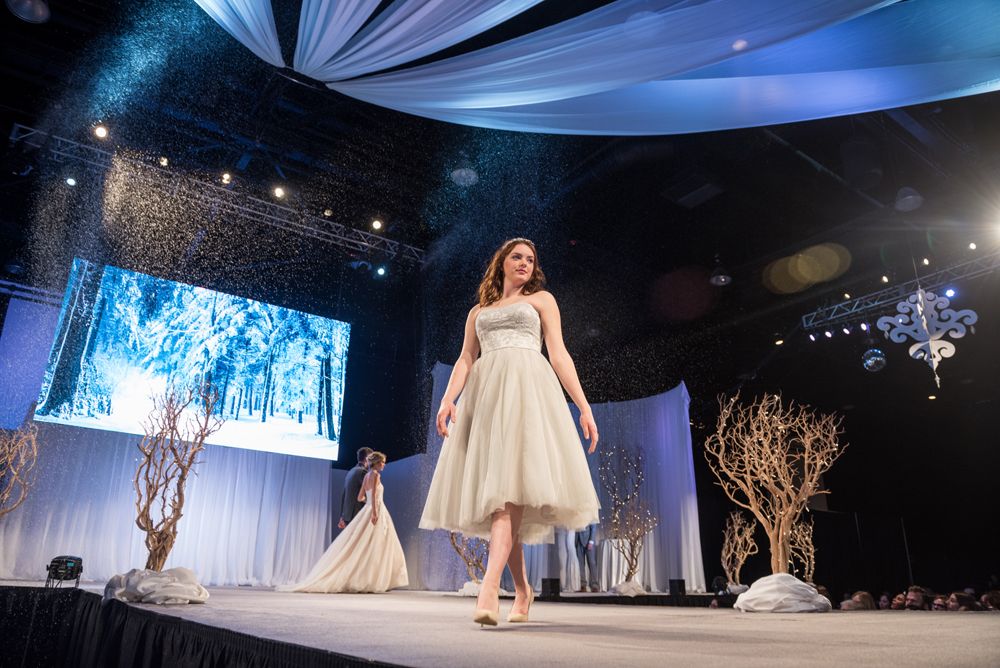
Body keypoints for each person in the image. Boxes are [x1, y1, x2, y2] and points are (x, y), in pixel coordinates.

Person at [420, 238, 601, 627]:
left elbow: (559, 354)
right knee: (503, 501)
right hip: (486, 402)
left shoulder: (542, 301)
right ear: (501, 263)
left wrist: (584, 407)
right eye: (516, 257)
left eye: (531, 259)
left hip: (526, 396)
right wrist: (449, 400)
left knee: (506, 501)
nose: (524, 263)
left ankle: (489, 588)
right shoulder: (478, 312)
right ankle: (522, 589)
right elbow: (467, 358)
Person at [283, 451, 408, 593]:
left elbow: (360, 497)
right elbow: (373, 495)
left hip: (367, 511)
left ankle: (368, 579)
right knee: (376, 545)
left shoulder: (367, 475)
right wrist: (374, 511)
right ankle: (372, 581)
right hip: (376, 511)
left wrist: (369, 506)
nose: (384, 465)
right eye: (382, 462)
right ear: (376, 463)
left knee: (365, 546)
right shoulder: (375, 475)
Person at [337, 447, 373, 531]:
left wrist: (342, 516)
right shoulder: (363, 472)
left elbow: (344, 495)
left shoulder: (351, 471)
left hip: (348, 515)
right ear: (367, 459)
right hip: (357, 514)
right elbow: (368, 495)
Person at [576, 523, 600, 593]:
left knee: (592, 563)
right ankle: (582, 585)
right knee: (580, 564)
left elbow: (593, 528)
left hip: (588, 540)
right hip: (578, 541)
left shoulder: (590, 512)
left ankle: (594, 585)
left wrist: (591, 541)